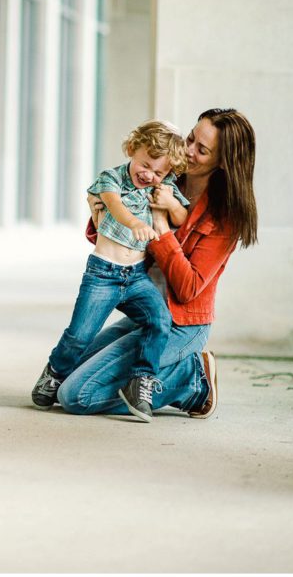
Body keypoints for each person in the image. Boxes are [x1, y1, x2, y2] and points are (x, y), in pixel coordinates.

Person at [55, 108, 259, 419]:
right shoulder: (166, 175)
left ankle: (192, 381)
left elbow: (189, 288)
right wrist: (100, 207)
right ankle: (157, 375)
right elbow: (117, 224)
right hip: (147, 314)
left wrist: (162, 226)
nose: (188, 151)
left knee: (76, 396)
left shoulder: (225, 218)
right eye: (191, 138)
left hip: (181, 325)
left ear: (222, 162)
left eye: (202, 150)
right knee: (64, 372)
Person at [31, 120, 189, 422]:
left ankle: (140, 380)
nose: (149, 175)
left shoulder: (161, 186)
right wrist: (136, 223)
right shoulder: (111, 179)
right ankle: (55, 371)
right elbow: (115, 206)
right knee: (80, 335)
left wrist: (169, 203)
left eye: (159, 172)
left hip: (136, 276)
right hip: (104, 273)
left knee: (159, 320)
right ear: (132, 150)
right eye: (145, 165)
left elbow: (181, 217)